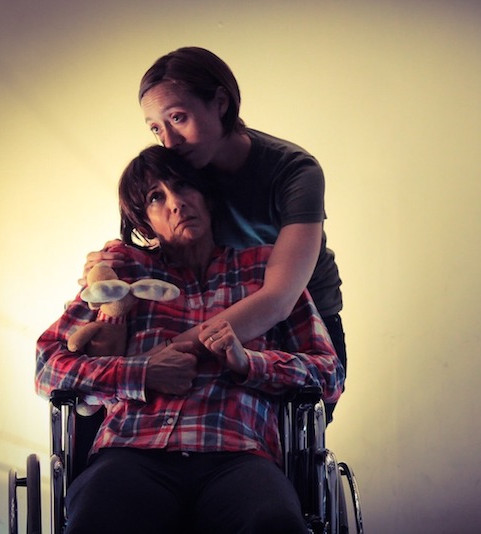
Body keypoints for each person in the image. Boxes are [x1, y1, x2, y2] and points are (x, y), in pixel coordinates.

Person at [36, 146, 344, 533]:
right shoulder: (123, 277)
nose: (176, 203)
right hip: (132, 451)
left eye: (184, 187)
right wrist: (142, 373)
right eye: (156, 197)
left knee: (275, 523)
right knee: (98, 519)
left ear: (208, 197)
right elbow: (47, 366)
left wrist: (250, 364)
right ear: (144, 224)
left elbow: (330, 375)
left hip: (238, 454)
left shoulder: (266, 272)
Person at [84, 47, 346, 422]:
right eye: (156, 127)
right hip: (214, 311)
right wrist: (109, 268)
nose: (169, 140)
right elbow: (167, 238)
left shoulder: (294, 172)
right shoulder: (188, 169)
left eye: (178, 117)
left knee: (292, 435)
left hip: (301, 320)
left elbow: (279, 300)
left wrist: (165, 350)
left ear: (220, 102)